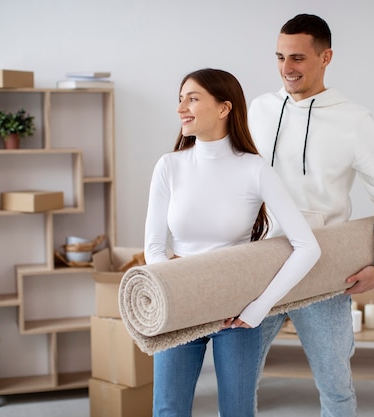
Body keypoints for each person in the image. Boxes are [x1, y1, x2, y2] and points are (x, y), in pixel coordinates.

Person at [248, 14, 374, 417]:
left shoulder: (354, 120)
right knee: (239, 380)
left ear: (326, 57)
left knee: (335, 387)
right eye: (280, 57)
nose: (287, 68)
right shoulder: (260, 109)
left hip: (322, 266)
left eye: (298, 58)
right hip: (261, 263)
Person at [143, 68, 321, 417]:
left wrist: (257, 309)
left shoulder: (254, 169)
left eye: (192, 98)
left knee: (237, 412)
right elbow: (153, 247)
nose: (182, 107)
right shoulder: (169, 166)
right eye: (180, 99)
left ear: (224, 108)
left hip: (235, 311)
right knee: (168, 411)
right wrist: (177, 293)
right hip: (179, 306)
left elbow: (307, 246)